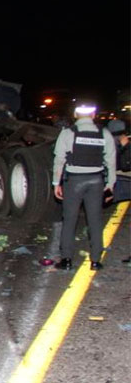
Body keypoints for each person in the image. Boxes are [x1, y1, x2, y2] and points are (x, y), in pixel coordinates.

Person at [52, 103, 117, 270]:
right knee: (95, 220)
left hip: (73, 181)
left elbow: (59, 160)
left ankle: (66, 260)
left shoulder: (67, 134)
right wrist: (110, 185)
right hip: (96, 181)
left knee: (69, 220)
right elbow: (111, 161)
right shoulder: (104, 133)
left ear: (75, 115)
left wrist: (56, 183)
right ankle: (96, 261)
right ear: (94, 115)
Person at [109, 119, 130, 203]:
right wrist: (126, 147)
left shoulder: (107, 140)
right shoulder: (123, 141)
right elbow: (126, 165)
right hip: (121, 173)